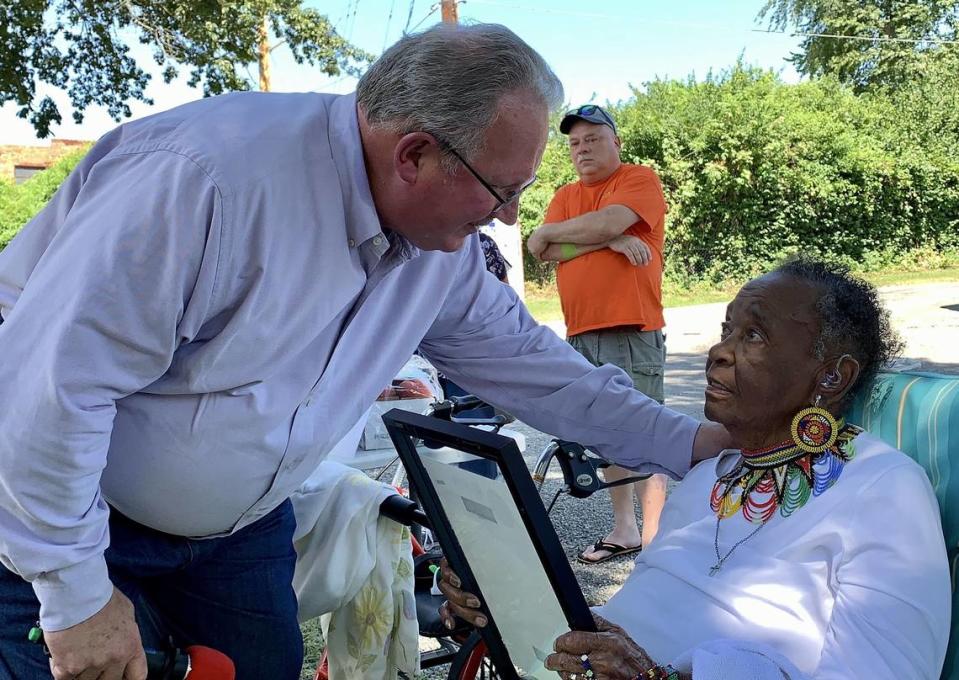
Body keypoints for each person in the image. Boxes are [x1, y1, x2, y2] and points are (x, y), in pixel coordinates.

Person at [0, 23, 730, 680]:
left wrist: (696, 444)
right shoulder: (205, 181)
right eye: (500, 189)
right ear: (414, 154)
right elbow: (48, 388)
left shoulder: (436, 247)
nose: (508, 215)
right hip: (66, 521)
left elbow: (540, 373)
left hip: (240, 531)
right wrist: (74, 595)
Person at [440, 258, 951, 679]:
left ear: (833, 375)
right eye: (727, 329)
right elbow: (637, 616)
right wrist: (505, 608)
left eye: (754, 336)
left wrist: (660, 677)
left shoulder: (884, 488)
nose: (718, 352)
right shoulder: (713, 473)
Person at [526, 105, 670, 563]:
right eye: (574, 143)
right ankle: (626, 529)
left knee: (648, 432)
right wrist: (607, 240)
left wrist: (587, 231)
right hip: (581, 333)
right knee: (607, 435)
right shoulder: (566, 194)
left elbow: (593, 224)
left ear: (615, 143)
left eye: (592, 139)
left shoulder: (637, 179)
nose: (582, 148)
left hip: (631, 330)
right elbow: (539, 247)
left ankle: (658, 542)